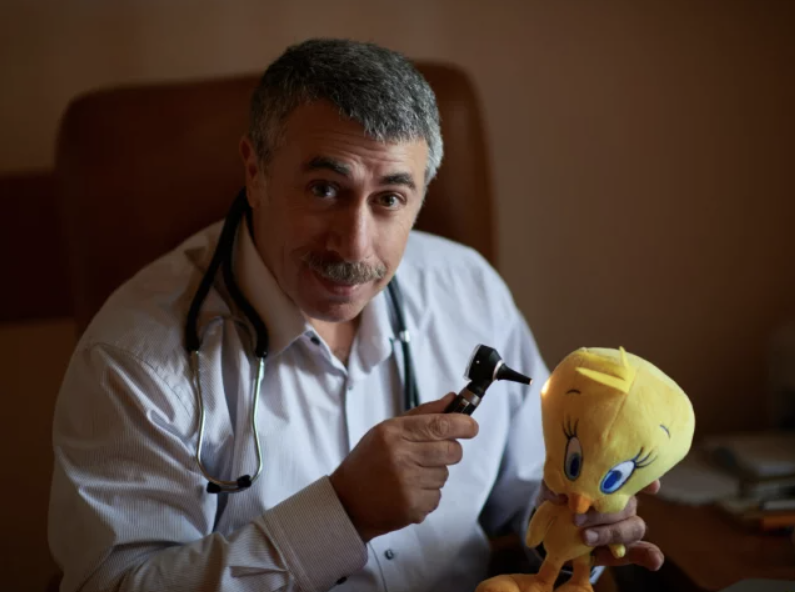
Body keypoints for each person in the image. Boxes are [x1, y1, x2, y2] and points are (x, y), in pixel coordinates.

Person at [48, 38, 663, 592]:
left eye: (389, 198)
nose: (354, 246)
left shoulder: (470, 290)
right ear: (255, 172)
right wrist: (340, 515)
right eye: (324, 190)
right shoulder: (132, 359)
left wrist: (578, 522)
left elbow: (531, 498)